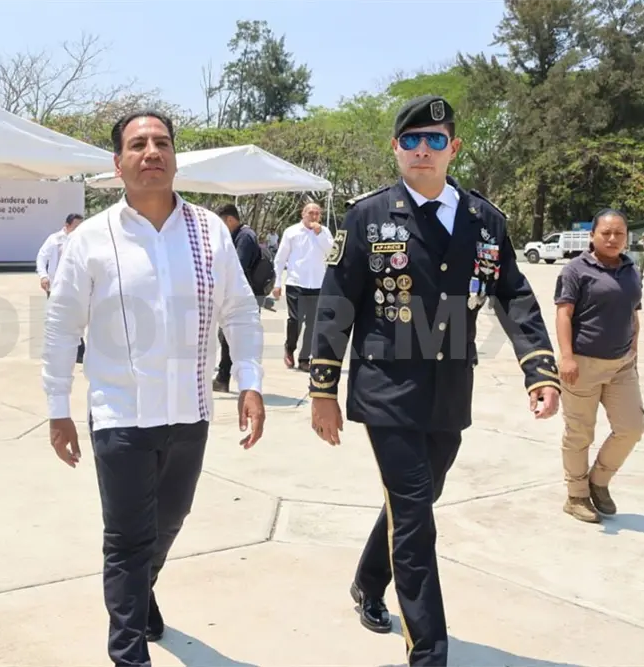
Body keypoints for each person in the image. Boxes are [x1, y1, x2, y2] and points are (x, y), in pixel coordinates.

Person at [308, 95, 561, 667]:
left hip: (449, 390)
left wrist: (538, 369)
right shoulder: (366, 216)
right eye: (412, 140)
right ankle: (429, 651)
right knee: (418, 519)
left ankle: (369, 582)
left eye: (436, 140)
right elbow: (335, 305)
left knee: (416, 502)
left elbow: (514, 294)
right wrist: (323, 390)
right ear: (396, 149)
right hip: (385, 388)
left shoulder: (484, 220)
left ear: (454, 148)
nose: (424, 150)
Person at [42, 109, 265, 667]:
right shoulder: (92, 238)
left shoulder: (209, 230)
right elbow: (61, 326)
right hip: (119, 414)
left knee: (169, 521)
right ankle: (128, 652)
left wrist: (249, 381)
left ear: (174, 158)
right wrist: (57, 407)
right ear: (118, 164)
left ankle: (142, 595)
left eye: (162, 143)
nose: (152, 152)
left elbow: (239, 310)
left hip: (189, 411)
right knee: (125, 537)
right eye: (138, 144)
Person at [554, 208, 643, 523]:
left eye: (619, 232)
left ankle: (599, 481)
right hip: (582, 364)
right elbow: (564, 314)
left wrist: (634, 348)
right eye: (606, 232)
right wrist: (566, 357)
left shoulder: (632, 269)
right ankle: (576, 495)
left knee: (632, 427)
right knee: (579, 433)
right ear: (592, 236)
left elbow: (633, 311)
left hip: (622, 366)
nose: (613, 238)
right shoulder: (576, 270)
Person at [272, 202, 333, 371]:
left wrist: (320, 233)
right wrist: (277, 283)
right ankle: (289, 348)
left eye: (317, 213)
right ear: (303, 214)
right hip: (295, 282)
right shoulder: (291, 232)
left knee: (312, 324)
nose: (314, 216)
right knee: (295, 320)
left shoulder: (324, 232)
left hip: (317, 284)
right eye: (310, 213)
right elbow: (280, 259)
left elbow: (332, 252)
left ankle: (305, 358)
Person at [213, 203, 265, 392]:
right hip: (243, 293)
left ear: (230, 220)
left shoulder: (245, 237)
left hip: (244, 295)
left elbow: (238, 267)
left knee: (231, 337)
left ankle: (224, 378)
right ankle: (223, 377)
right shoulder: (241, 235)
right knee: (226, 337)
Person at [36, 213, 85, 362]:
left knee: (75, 318)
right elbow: (41, 257)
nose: (78, 229)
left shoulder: (81, 241)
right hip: (55, 286)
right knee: (57, 319)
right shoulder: (54, 240)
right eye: (75, 226)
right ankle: (63, 351)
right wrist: (43, 276)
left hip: (74, 285)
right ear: (67, 225)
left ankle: (79, 351)